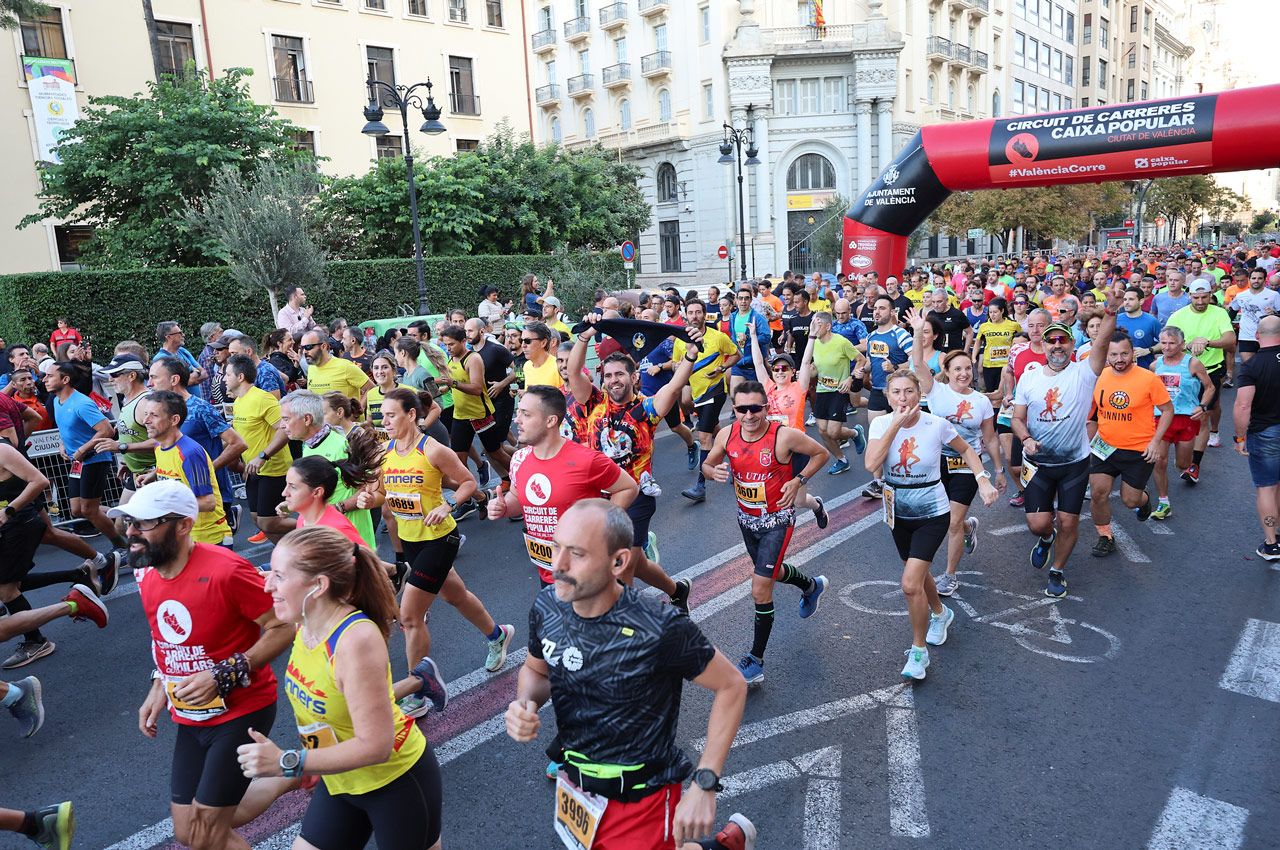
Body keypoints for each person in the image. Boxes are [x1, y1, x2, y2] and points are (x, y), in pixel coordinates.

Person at [505, 499, 756, 850]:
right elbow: (536, 669)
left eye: (576, 554)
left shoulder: (658, 626)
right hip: (576, 790)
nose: (557, 565)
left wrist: (705, 783)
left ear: (619, 562)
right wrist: (525, 702)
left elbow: (731, 685)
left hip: (643, 798)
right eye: (555, 547)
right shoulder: (547, 606)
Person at [236, 526, 444, 850]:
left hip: (396, 783)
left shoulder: (355, 640)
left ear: (318, 586)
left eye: (278, 575)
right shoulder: (304, 623)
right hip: (341, 781)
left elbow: (376, 746)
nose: (267, 585)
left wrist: (289, 761)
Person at [123, 480, 292, 850]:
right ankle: (294, 771)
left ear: (183, 525)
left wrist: (226, 672)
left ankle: (294, 769)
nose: (132, 533)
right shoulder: (146, 571)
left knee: (208, 833)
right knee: (189, 831)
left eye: (144, 524)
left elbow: (283, 626)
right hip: (190, 714)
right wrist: (158, 686)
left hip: (242, 709)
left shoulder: (227, 570)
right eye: (130, 522)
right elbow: (164, 637)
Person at [866, 369, 998, 679]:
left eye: (909, 391)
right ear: (888, 397)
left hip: (932, 510)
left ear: (918, 395)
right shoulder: (880, 424)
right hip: (897, 510)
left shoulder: (936, 424)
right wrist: (895, 426)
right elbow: (872, 464)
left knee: (910, 583)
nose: (903, 398)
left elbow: (966, 448)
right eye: (896, 392)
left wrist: (983, 479)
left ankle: (918, 653)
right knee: (919, 571)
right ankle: (941, 613)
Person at [380, 388, 515, 687]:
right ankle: (498, 634)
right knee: (455, 595)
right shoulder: (386, 452)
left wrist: (448, 505)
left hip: (440, 538)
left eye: (391, 415)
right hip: (411, 539)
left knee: (410, 616)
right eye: (383, 415)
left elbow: (467, 482)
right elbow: (381, 492)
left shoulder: (433, 450)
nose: (385, 421)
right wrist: (366, 499)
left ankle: (418, 687)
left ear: (411, 414)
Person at [701, 381, 831, 685]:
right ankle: (811, 587)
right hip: (746, 519)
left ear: (766, 408)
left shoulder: (783, 436)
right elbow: (708, 463)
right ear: (733, 409)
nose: (748, 415)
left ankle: (755, 661)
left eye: (755, 408)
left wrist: (798, 480)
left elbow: (821, 454)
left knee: (760, 588)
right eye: (741, 409)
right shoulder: (727, 434)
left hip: (777, 520)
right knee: (768, 574)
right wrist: (712, 471)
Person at [567, 317, 696, 610]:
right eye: (608, 375)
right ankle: (677, 591)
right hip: (598, 497)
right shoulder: (593, 403)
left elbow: (674, 388)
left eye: (620, 374)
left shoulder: (646, 408)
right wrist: (585, 336)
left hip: (636, 496)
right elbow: (573, 372)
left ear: (634, 377)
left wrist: (689, 354)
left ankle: (625, 630)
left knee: (622, 571)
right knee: (637, 563)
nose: (613, 380)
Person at [1011, 290, 1120, 599]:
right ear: (1043, 345)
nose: (1057, 345)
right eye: (1051, 341)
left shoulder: (1084, 373)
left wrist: (1110, 313)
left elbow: (1101, 342)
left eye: (1063, 340)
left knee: (1069, 519)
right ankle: (1046, 539)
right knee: (1038, 524)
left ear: (1072, 345)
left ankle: (1057, 570)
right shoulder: (1030, 377)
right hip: (1038, 464)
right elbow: (1018, 418)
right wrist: (1026, 438)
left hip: (1073, 464)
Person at [487, 386, 638, 586]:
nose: (517, 420)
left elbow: (628, 488)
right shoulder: (519, 459)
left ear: (551, 421)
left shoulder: (586, 460)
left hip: (588, 572)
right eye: (518, 413)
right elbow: (516, 498)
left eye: (526, 414)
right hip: (548, 571)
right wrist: (503, 506)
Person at [906, 312, 1005, 598]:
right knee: (940, 516)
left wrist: (997, 471)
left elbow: (989, 437)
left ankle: (949, 575)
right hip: (936, 462)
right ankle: (968, 526)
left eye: (967, 368)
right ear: (947, 371)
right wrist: (916, 331)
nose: (963, 373)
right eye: (957, 369)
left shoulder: (982, 401)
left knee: (950, 523)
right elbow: (917, 363)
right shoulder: (935, 391)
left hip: (967, 463)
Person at [1086, 332, 1173, 557]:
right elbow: (1093, 413)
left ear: (1133, 353)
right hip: (1105, 447)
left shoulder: (1148, 378)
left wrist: (1155, 442)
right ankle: (1105, 536)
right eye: (1114, 354)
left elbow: (1167, 411)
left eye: (1124, 353)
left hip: (1138, 449)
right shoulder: (1101, 376)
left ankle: (1143, 501)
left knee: (1129, 500)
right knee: (1098, 493)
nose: (1119, 359)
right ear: (1107, 355)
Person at [147, 357, 246, 536]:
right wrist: (154, 474)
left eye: (154, 377)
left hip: (210, 496)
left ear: (174, 380)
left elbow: (237, 443)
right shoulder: (161, 413)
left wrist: (209, 468)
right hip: (185, 498)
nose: (149, 383)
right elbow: (170, 450)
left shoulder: (201, 408)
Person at [42, 361, 130, 553]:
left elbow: (106, 429)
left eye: (49, 376)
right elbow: (67, 427)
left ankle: (122, 546)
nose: (44, 379)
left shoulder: (81, 403)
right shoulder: (57, 401)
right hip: (77, 462)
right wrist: (63, 443)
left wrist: (83, 449)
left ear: (65, 380)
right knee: (77, 509)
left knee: (89, 509)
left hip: (94, 459)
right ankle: (128, 514)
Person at [748, 330, 829, 528]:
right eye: (776, 369)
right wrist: (752, 336)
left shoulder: (798, 387)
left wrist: (811, 338)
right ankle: (775, 532)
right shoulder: (767, 387)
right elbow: (759, 363)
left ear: (792, 371)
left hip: (797, 448)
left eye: (784, 368)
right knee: (775, 494)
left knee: (799, 501)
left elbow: (805, 362)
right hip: (773, 449)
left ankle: (817, 505)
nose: (780, 372)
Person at [280, 391, 379, 549]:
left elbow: (367, 491)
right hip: (326, 540)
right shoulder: (308, 445)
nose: (281, 425)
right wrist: (292, 501)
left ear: (307, 419)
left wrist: (337, 508)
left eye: (286, 419)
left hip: (351, 543)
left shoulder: (343, 446)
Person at [143, 391, 233, 547]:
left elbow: (208, 503)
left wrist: (164, 506)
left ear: (174, 420)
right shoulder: (160, 447)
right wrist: (152, 475)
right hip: (183, 536)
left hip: (209, 539)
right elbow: (174, 471)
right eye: (146, 414)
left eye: (154, 415)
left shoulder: (190, 453)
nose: (145, 420)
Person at [439, 324, 509, 517]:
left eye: (451, 344)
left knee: (495, 452)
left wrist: (451, 383)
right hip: (460, 415)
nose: (448, 348)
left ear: (463, 341)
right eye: (445, 344)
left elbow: (477, 388)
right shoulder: (451, 358)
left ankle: (520, 478)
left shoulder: (473, 358)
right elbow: (453, 385)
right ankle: (470, 499)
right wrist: (443, 389)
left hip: (480, 414)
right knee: (458, 461)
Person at [675, 300, 741, 504]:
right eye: (691, 312)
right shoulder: (681, 340)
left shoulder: (718, 336)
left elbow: (736, 355)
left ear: (705, 315)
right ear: (686, 315)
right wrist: (678, 366)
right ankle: (739, 461)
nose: (694, 316)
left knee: (704, 437)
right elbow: (677, 364)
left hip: (715, 391)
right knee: (716, 431)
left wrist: (722, 368)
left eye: (698, 312)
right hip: (697, 393)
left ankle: (701, 486)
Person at [225, 356, 294, 543]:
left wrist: (263, 456)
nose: (224, 378)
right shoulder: (239, 402)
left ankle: (313, 525)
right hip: (254, 471)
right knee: (258, 520)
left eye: (227, 374)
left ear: (240, 377)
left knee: (268, 522)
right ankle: (287, 557)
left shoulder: (263, 398)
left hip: (274, 469)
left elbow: (285, 429)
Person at [1150, 325, 1213, 518]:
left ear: (1182, 344)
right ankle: (1163, 502)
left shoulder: (1192, 364)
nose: (1167, 347)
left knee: (1182, 464)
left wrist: (1202, 406)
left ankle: (1190, 466)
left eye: (1172, 343)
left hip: (1185, 419)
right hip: (1161, 418)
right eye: (1164, 343)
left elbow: (1209, 388)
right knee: (1159, 461)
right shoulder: (1155, 366)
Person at [1166, 279, 1235, 451]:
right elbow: (1166, 340)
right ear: (1190, 295)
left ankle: (1214, 430)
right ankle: (1190, 446)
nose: (1200, 302)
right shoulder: (1178, 316)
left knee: (1211, 407)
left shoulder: (1219, 313)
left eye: (1204, 297)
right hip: (1185, 370)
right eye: (1196, 297)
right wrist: (1187, 345)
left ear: (1211, 295)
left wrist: (1207, 342)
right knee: (1187, 407)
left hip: (1212, 368)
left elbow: (1230, 340)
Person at [1233, 314, 1280, 560]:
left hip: (1265, 432)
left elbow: (1242, 406)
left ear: (1258, 336)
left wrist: (1240, 438)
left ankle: (1271, 542)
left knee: (1267, 487)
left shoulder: (1252, 365)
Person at [862, 295, 915, 499]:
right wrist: (860, 370)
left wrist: (895, 368)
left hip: (898, 392)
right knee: (875, 434)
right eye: (875, 308)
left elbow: (915, 361)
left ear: (892, 312)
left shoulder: (900, 334)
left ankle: (903, 475)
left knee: (901, 436)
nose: (877, 312)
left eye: (882, 308)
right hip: (877, 390)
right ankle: (878, 481)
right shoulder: (872, 336)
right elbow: (869, 361)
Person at [806, 311, 867, 475]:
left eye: (817, 324)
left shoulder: (841, 342)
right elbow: (816, 368)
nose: (814, 328)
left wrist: (850, 378)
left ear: (827, 326)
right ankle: (841, 460)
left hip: (839, 391)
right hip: (822, 390)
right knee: (822, 430)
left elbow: (861, 360)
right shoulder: (814, 343)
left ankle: (855, 432)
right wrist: (808, 371)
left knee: (833, 431)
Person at [299, 330, 373, 404]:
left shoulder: (345, 366)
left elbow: (371, 388)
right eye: (302, 348)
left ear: (323, 346)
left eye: (308, 347)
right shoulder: (311, 368)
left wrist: (360, 409)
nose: (304, 352)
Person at [1231, 268, 1280, 365]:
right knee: (1249, 366)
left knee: (1267, 366)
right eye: (1253, 278)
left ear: (1265, 280)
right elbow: (1233, 312)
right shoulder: (1241, 295)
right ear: (1249, 279)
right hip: (1246, 336)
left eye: (1260, 278)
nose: (1256, 281)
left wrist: (1274, 314)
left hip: (1267, 336)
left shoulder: (1274, 295)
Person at [153, 322, 208, 400]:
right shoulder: (160, 359)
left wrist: (189, 379)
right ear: (169, 337)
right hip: (180, 406)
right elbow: (171, 385)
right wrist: (195, 373)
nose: (183, 335)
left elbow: (204, 374)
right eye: (180, 333)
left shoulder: (182, 351)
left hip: (196, 403)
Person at [1115, 287, 1163, 368]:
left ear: (1141, 301)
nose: (1126, 302)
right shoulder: (1115, 319)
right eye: (1125, 299)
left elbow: (1164, 342)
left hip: (1144, 368)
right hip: (1119, 368)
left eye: (1131, 299)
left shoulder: (1151, 321)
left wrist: (1148, 350)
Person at [226, 335, 285, 399]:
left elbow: (273, 402)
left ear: (249, 351)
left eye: (234, 353)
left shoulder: (265, 372)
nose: (231, 357)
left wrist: (238, 395)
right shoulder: (250, 370)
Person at [520, 321, 563, 390]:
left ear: (543, 343)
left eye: (527, 341)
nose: (523, 345)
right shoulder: (527, 366)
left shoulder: (559, 367)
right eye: (521, 340)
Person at [365, 350, 399, 430]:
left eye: (385, 367)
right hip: (380, 442)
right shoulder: (371, 394)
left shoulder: (406, 391)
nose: (380, 372)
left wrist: (422, 428)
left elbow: (434, 409)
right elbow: (370, 423)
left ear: (393, 370)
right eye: (376, 368)